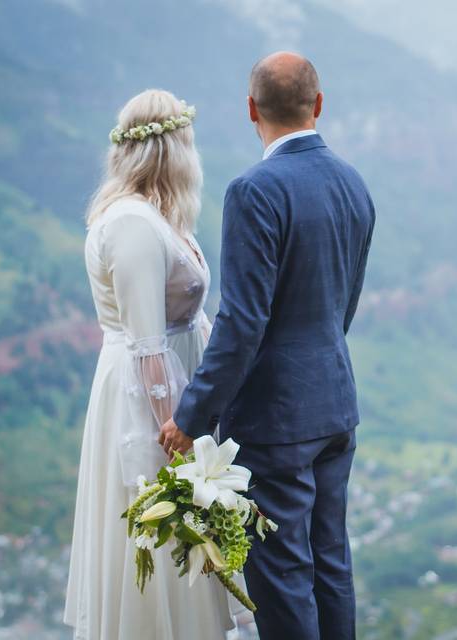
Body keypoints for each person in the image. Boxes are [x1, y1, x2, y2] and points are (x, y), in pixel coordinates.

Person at [160, 52, 375, 640]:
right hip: (334, 406)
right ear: (320, 104)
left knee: (281, 576)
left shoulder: (255, 190)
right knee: (331, 561)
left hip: (277, 421)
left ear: (250, 109)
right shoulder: (353, 183)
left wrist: (191, 415)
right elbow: (343, 305)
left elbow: (243, 321)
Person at [64, 89, 242, 639]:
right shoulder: (134, 225)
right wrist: (178, 430)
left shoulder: (158, 219)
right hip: (149, 403)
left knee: (183, 543)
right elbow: (148, 344)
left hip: (177, 389)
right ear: (174, 150)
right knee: (165, 535)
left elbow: (189, 324)